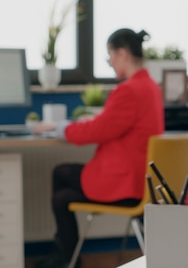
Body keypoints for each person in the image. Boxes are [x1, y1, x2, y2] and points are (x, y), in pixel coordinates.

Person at [32, 28, 164, 268]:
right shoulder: (151, 88)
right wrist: (92, 123)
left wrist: (57, 126)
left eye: (110, 57)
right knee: (62, 194)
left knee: (60, 177)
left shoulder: (128, 90)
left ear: (122, 54)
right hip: (143, 181)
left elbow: (94, 132)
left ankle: (66, 257)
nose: (111, 63)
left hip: (125, 185)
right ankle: (66, 256)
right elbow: (112, 125)